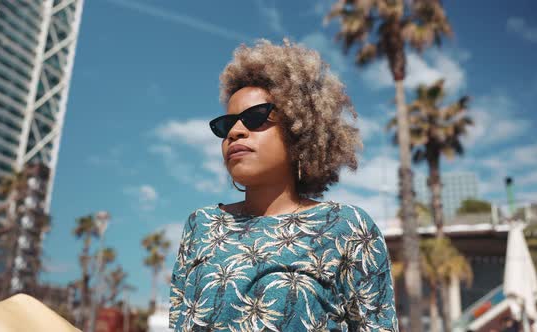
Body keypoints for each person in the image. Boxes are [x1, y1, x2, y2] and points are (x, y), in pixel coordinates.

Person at [169, 39, 398, 331]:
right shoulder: (200, 225)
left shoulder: (347, 227)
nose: (236, 132)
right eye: (227, 125)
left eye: (255, 117)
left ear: (298, 130)